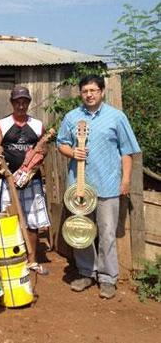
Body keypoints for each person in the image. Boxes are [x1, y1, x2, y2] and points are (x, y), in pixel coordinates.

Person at [56, 74, 141, 299]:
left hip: (109, 183)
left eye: (93, 90)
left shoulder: (116, 117)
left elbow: (127, 151)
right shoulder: (72, 117)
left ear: (102, 92)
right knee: (81, 230)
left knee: (107, 232)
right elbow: (61, 143)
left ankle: (107, 278)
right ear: (81, 93)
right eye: (85, 91)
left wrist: (125, 180)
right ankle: (86, 272)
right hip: (80, 185)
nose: (89, 95)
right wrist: (72, 151)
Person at [0, 86, 51, 275]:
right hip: (8, 180)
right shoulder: (2, 124)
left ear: (29, 103)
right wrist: (0, 163)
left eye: (24, 101)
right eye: (17, 101)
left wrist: (37, 159)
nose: (21, 105)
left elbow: (44, 149)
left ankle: (31, 261)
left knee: (32, 221)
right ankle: (8, 260)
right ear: (12, 103)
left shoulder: (38, 125)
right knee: (7, 220)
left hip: (31, 180)